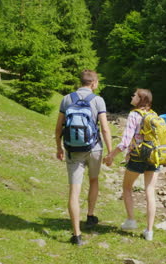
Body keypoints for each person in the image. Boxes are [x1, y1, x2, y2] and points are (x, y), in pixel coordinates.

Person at [55, 70, 112, 245]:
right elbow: (104, 128)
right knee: (93, 180)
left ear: (80, 82)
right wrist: (110, 152)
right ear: (94, 83)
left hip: (73, 149)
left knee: (74, 190)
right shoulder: (97, 100)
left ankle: (76, 235)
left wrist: (59, 147)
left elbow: (58, 128)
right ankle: (90, 216)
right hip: (94, 148)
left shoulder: (66, 99)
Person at [104, 88, 159, 241]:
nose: (132, 96)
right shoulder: (154, 115)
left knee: (127, 187)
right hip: (154, 156)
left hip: (137, 156)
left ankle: (131, 221)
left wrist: (110, 156)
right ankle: (149, 231)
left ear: (141, 99)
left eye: (135, 95)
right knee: (150, 190)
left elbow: (125, 142)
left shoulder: (134, 114)